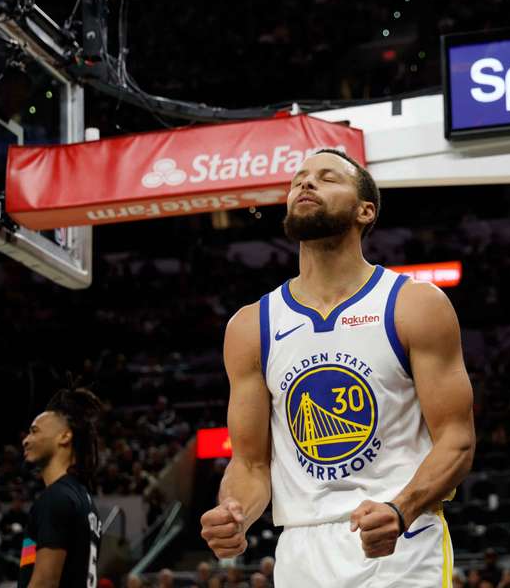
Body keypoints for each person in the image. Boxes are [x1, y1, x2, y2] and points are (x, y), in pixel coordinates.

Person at [199, 149, 476, 587]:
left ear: (366, 211)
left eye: (327, 178)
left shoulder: (414, 305)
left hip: (399, 539)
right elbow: (250, 465)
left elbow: (456, 440)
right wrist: (234, 512)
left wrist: (401, 509)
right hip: (301, 550)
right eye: (298, 180)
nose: (306, 184)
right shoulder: (250, 326)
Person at [18, 387, 103, 588]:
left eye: (34, 431)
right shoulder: (84, 501)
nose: (25, 440)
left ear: (64, 436)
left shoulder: (56, 498)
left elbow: (45, 582)